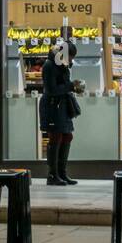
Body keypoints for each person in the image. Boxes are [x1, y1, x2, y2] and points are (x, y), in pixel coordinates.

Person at [40, 39, 80, 186]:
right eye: (71, 56)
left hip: (61, 106)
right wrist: (70, 86)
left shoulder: (62, 65)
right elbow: (51, 89)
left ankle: (61, 173)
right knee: (55, 137)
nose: (71, 60)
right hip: (52, 106)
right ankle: (52, 174)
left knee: (67, 136)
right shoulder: (49, 65)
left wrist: (71, 86)